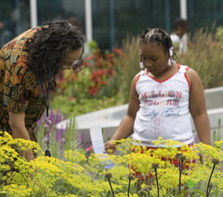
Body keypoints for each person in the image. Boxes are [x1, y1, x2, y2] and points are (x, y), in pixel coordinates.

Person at [104, 27, 210, 155]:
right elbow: (131, 116)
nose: (148, 64)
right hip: (141, 152)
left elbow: (199, 114)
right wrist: (115, 141)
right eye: (144, 58)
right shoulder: (139, 79)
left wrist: (207, 149)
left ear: (169, 54)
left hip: (179, 152)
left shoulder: (187, 76)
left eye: (154, 59)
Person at [0, 20, 85, 160]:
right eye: (66, 63)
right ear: (53, 56)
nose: (70, 68)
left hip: (23, 123)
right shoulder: (20, 67)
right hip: (5, 126)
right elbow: (16, 125)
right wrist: (31, 169)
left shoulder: (49, 38)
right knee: (15, 176)